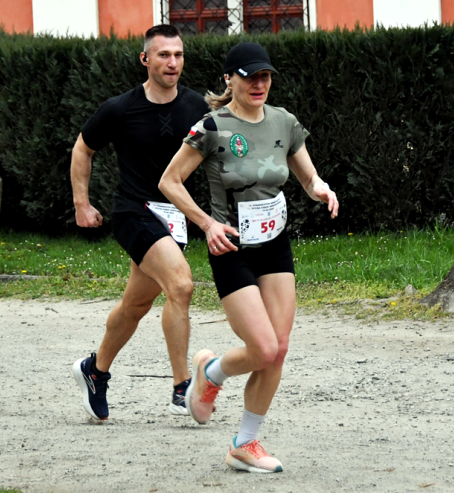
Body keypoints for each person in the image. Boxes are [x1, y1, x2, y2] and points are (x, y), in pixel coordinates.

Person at [159, 42, 339, 473]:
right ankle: (212, 371)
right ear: (229, 80)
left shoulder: (284, 122)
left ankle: (245, 442)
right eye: (249, 76)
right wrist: (207, 224)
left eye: (265, 77)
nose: (259, 84)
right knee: (261, 347)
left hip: (274, 243)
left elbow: (304, 171)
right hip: (231, 246)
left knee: (277, 351)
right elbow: (170, 181)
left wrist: (319, 187)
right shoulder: (211, 127)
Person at [70, 25, 208, 420]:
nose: (172, 62)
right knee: (180, 284)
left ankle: (94, 371)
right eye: (163, 55)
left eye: (178, 55)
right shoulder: (120, 108)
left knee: (136, 305)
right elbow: (83, 148)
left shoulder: (197, 106)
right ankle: (183, 387)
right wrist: (82, 203)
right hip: (134, 213)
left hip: (173, 218)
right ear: (145, 59)